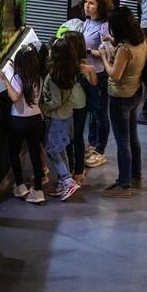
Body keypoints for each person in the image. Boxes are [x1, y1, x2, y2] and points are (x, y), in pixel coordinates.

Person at [100, 7, 147, 198]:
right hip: (135, 91)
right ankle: (136, 176)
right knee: (132, 136)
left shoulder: (125, 50)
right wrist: (114, 43)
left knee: (122, 142)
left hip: (120, 97)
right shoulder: (141, 38)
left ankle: (124, 185)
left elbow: (115, 74)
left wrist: (104, 55)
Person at [0, 45, 45, 204]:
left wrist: (5, 78)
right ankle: (38, 190)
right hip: (36, 120)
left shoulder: (18, 79)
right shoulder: (38, 77)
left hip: (18, 121)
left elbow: (15, 96)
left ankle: (20, 186)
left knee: (13, 152)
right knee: (35, 155)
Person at [41, 38, 81, 201]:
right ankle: (64, 181)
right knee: (61, 148)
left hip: (56, 119)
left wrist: (42, 108)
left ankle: (67, 180)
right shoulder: (71, 71)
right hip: (67, 117)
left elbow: (56, 101)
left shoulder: (54, 76)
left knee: (52, 150)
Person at [80, 0, 111, 168]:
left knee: (99, 113)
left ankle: (100, 150)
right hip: (86, 73)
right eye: (85, 2)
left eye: (91, 3)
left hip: (99, 74)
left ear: (101, 5)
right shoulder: (88, 21)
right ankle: (91, 145)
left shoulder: (104, 26)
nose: (87, 6)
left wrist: (88, 51)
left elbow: (107, 52)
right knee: (91, 112)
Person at [61, 30, 95, 184]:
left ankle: (75, 172)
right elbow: (93, 83)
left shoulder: (80, 64)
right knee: (75, 138)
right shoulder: (81, 62)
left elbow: (93, 83)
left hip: (72, 106)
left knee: (72, 139)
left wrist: (89, 71)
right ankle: (76, 172)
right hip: (78, 105)